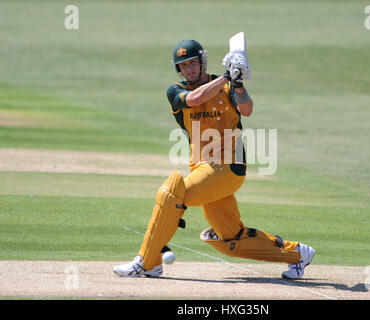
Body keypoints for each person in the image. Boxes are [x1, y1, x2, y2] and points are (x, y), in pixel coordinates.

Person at [113, 39, 315, 280]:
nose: (188, 68)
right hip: (203, 167)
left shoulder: (228, 85)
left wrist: (238, 84)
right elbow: (195, 99)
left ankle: (148, 262)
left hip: (229, 166)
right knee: (231, 238)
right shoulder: (176, 91)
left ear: (202, 62)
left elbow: (247, 109)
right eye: (183, 65)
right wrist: (227, 77)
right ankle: (298, 254)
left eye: (192, 63)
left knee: (170, 195)